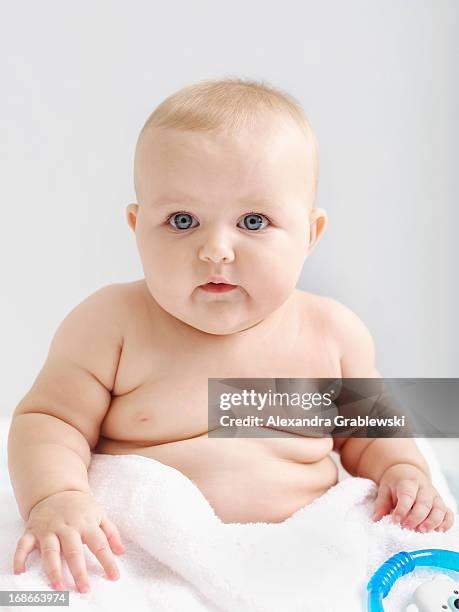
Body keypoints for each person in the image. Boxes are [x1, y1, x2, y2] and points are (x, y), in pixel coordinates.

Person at [7, 77, 454, 595]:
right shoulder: (110, 324)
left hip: (303, 549)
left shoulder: (332, 335)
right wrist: (56, 496)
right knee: (56, 587)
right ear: (136, 226)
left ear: (310, 235)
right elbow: (49, 419)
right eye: (182, 220)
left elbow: (372, 436)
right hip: (142, 556)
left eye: (253, 220)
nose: (216, 249)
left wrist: (403, 471)